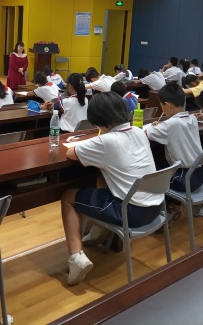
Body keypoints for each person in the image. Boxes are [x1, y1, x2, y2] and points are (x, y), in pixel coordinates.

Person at [61, 93, 161, 285]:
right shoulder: (138, 131)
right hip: (155, 208)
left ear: (96, 119)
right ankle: (101, 231)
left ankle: (76, 257)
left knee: (68, 196)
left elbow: (71, 153)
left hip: (132, 213)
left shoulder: (106, 141)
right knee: (102, 176)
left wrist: (84, 143)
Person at [145, 84, 203, 218]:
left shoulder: (170, 124)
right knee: (161, 161)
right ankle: (173, 203)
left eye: (161, 105)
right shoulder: (192, 118)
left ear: (167, 105)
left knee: (150, 176)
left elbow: (146, 133)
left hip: (184, 179)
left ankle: (169, 208)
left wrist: (156, 126)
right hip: (201, 174)